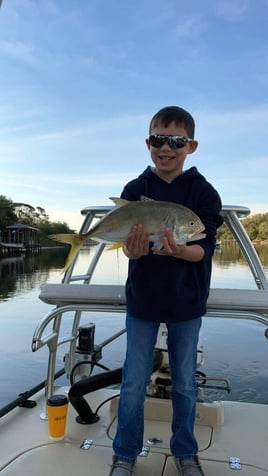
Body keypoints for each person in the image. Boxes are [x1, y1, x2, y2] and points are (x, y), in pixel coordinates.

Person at [109, 106, 223, 476]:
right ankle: (125, 454)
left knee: (186, 386)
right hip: (142, 301)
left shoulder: (203, 192)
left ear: (191, 145)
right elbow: (128, 247)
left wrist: (180, 250)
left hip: (187, 303)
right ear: (148, 142)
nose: (166, 148)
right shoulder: (135, 189)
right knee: (132, 383)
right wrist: (132, 249)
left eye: (176, 141)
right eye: (159, 139)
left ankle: (186, 453)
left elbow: (204, 246)